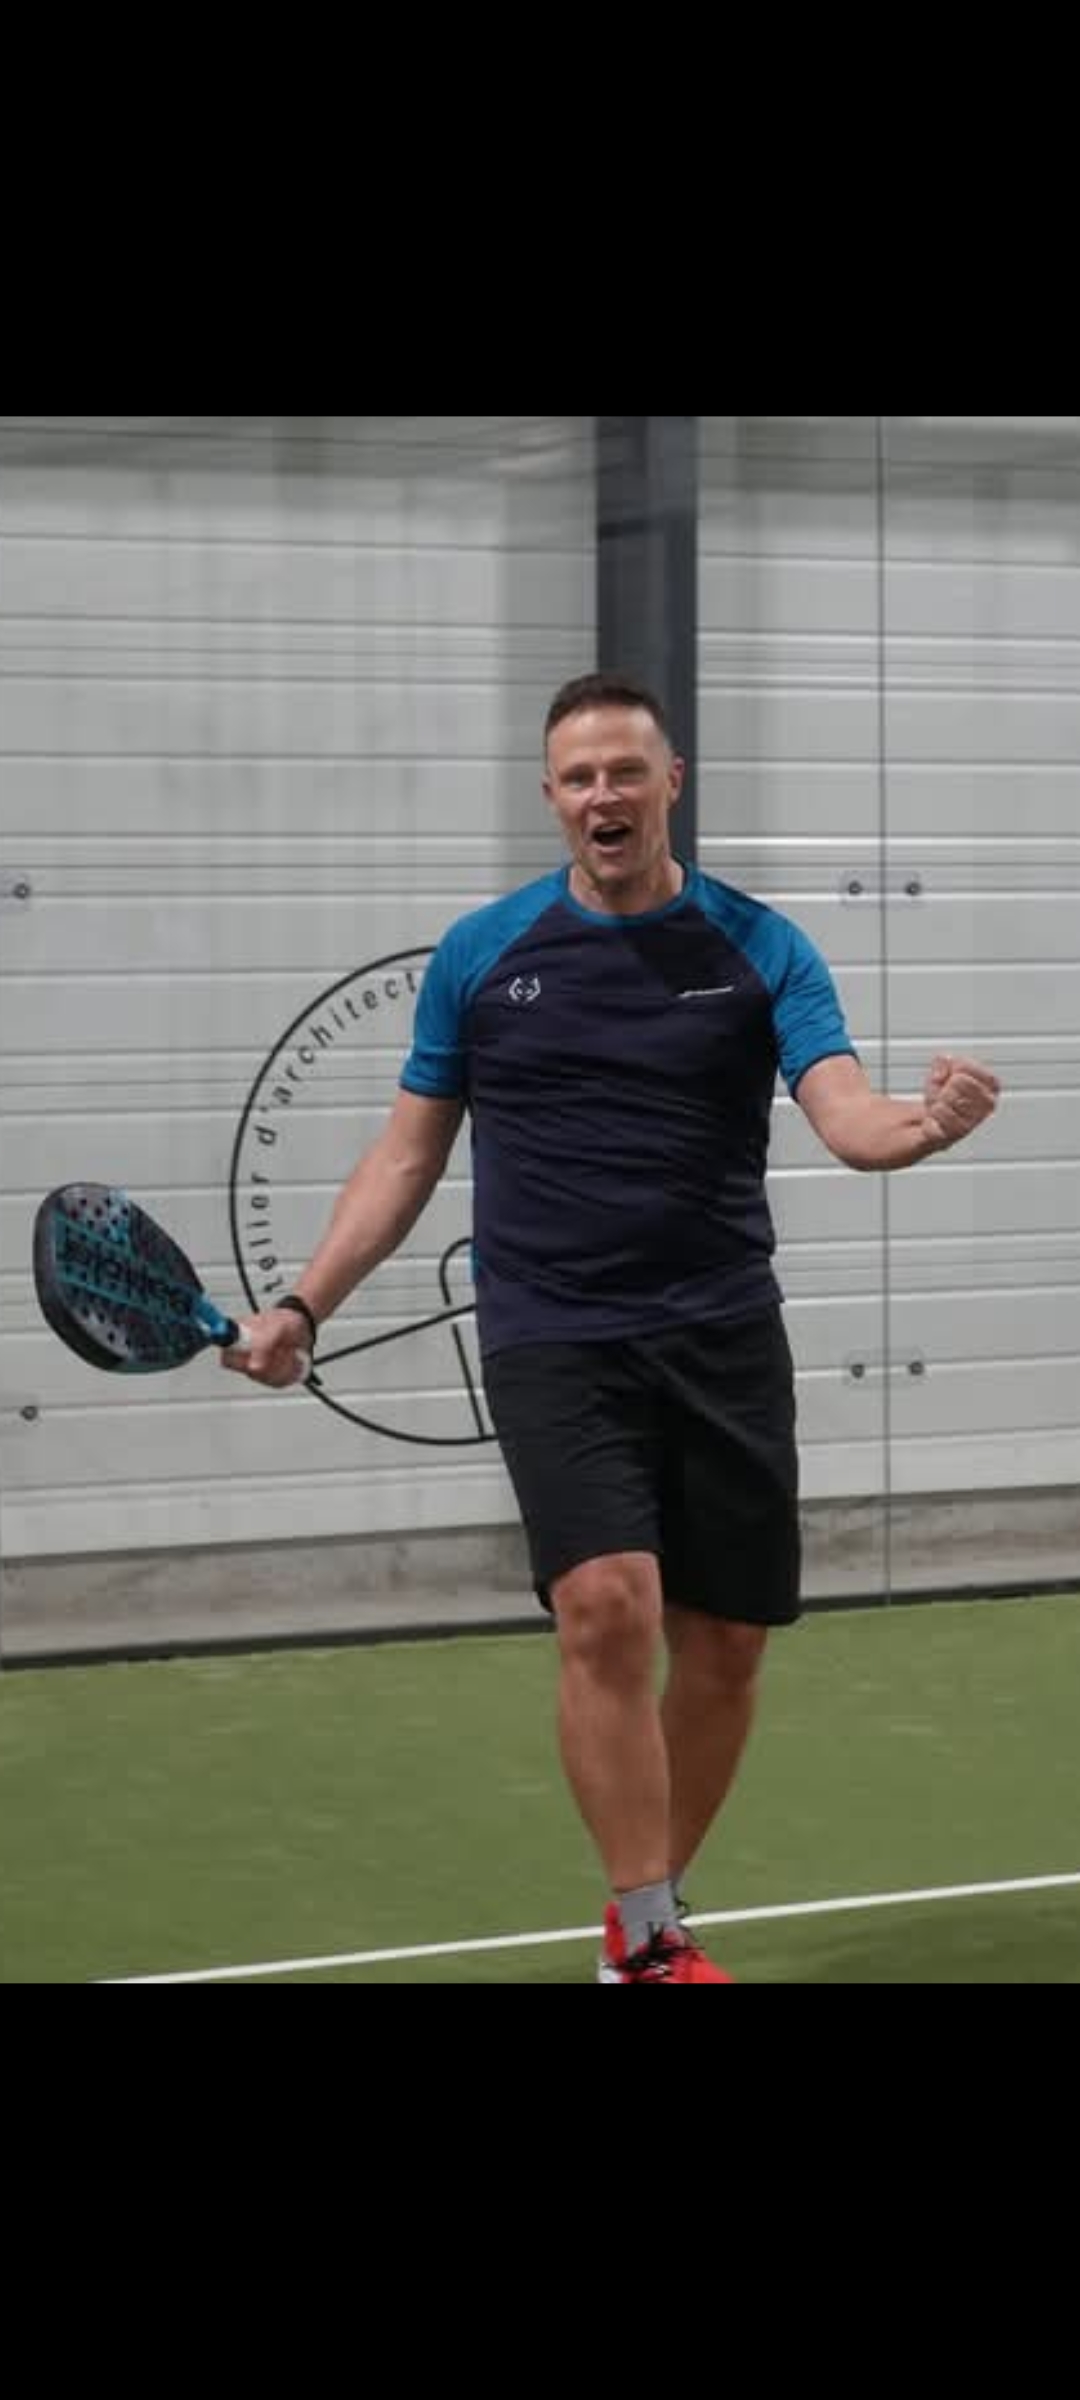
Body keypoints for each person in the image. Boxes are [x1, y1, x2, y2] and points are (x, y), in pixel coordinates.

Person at [223, 672, 1000, 1984]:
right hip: (556, 1336)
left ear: (671, 783)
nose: (604, 794)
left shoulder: (762, 949)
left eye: (627, 771)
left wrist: (924, 1125)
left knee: (727, 1645)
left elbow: (847, 1114)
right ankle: (648, 1946)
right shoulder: (483, 956)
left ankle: (645, 1913)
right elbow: (407, 1158)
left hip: (722, 1331)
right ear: (551, 798)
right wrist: (304, 1304)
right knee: (605, 1605)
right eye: (580, 777)